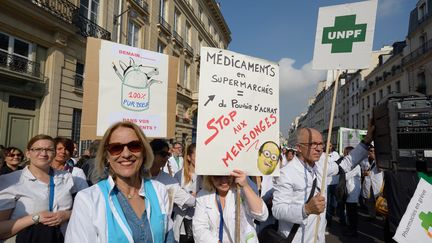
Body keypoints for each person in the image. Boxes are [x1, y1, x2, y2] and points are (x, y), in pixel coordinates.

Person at [65, 121, 173, 243]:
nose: (126, 154)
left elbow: (168, 238)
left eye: (134, 146)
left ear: (144, 151)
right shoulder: (88, 199)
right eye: (116, 148)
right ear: (107, 156)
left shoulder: (159, 190)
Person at [272, 125, 373, 243]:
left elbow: (344, 165)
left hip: (318, 237)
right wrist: (306, 209)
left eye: (321, 144)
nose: (319, 149)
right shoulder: (287, 173)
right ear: (299, 147)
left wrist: (366, 141)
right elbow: (277, 209)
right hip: (298, 238)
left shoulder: (321, 164)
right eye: (313, 144)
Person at [0, 135, 77, 242]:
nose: (44, 153)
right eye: (38, 149)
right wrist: (36, 218)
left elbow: (82, 209)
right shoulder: (10, 181)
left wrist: (67, 214)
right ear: (28, 153)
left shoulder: (66, 177)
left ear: (54, 153)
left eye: (49, 149)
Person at [193, 170, 268, 243]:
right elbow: (199, 228)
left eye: (228, 175)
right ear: (210, 177)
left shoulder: (241, 190)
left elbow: (262, 215)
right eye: (217, 176)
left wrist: (245, 185)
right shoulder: (203, 195)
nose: (224, 180)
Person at [149, 139, 195, 216]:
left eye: (168, 154)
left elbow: (189, 200)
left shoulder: (169, 181)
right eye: (163, 154)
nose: (166, 157)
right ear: (150, 154)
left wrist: (197, 196)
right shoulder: (137, 176)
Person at [174, 143, 201, 243]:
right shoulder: (179, 175)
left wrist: (197, 195)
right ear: (189, 157)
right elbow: (175, 198)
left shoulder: (205, 177)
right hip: (182, 223)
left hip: (200, 222)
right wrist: (189, 197)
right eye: (197, 156)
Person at [340, 146, 361, 237]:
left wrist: (338, 171)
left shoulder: (356, 165)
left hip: (353, 192)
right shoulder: (352, 164)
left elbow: (346, 176)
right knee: (349, 211)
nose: (344, 156)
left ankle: (353, 230)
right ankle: (350, 228)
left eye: (345, 153)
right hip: (349, 190)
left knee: (352, 212)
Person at [361, 146, 383, 220]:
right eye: (371, 151)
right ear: (368, 152)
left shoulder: (380, 160)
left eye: (374, 151)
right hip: (368, 183)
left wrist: (376, 159)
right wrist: (364, 174)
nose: (372, 152)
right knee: (369, 201)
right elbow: (362, 172)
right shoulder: (364, 161)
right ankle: (372, 215)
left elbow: (380, 170)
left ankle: (383, 216)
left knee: (379, 200)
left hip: (377, 184)